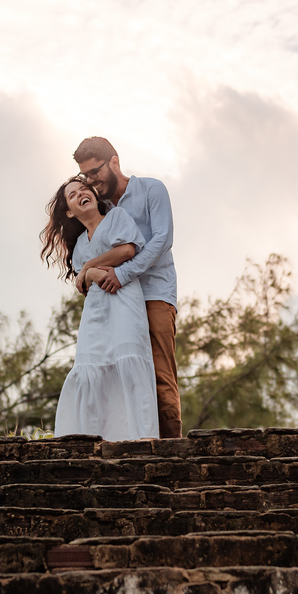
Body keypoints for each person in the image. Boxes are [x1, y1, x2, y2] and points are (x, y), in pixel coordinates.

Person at [72, 136, 181, 438]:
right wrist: (84, 273)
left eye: (94, 172)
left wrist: (123, 273)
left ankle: (172, 454)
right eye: (85, 176)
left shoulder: (151, 189)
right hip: (115, 301)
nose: (90, 180)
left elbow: (162, 239)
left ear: (114, 163)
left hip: (154, 293)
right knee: (118, 374)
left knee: (159, 375)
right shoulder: (100, 206)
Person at [40, 176, 160, 441]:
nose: (82, 192)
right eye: (73, 194)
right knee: (90, 364)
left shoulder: (116, 217)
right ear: (70, 211)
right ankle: (92, 438)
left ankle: (141, 437)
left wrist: (88, 268)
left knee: (128, 357)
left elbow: (127, 250)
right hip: (96, 309)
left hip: (124, 298)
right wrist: (88, 272)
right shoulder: (81, 243)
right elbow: (84, 283)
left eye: (84, 188)